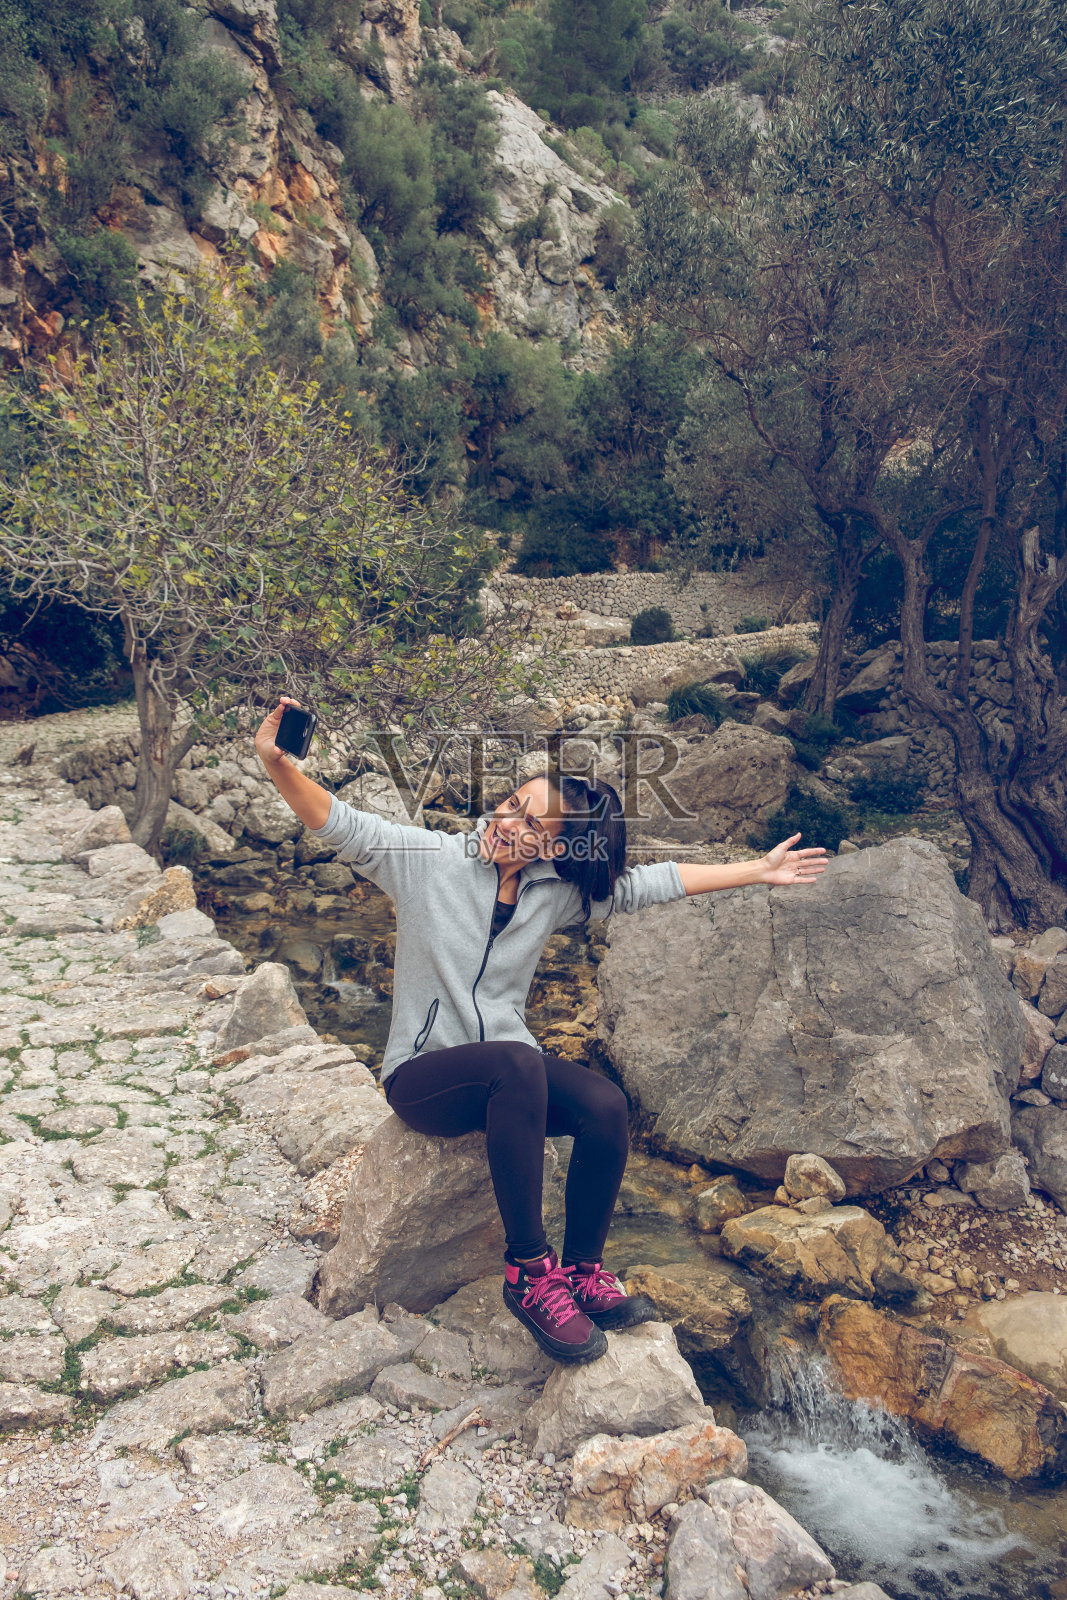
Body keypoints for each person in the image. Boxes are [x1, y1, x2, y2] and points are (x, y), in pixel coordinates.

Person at [254, 697, 827, 1365]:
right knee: (518, 1063)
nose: (507, 822)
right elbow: (338, 821)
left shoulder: (554, 891)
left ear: (555, 845)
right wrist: (277, 764)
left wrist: (756, 871)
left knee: (604, 1103)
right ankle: (529, 1272)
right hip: (423, 1077)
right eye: (509, 805)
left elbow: (651, 883)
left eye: (530, 822)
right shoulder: (426, 860)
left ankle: (581, 1271)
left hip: (504, 1083)